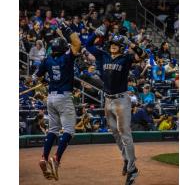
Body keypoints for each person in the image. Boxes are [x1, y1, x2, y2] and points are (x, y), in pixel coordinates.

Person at [86, 24, 146, 184]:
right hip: (108, 100)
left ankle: (133, 169)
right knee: (115, 132)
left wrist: (131, 43)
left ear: (121, 47)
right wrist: (95, 33)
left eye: (117, 44)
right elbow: (87, 45)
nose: (114, 46)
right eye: (112, 43)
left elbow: (143, 55)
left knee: (125, 133)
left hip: (121, 99)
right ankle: (126, 159)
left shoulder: (125, 58)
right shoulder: (103, 55)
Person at [32, 24, 81, 181]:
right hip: (64, 97)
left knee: (52, 130)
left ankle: (43, 157)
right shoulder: (66, 57)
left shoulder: (46, 60)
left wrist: (47, 79)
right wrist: (67, 30)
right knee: (69, 130)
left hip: (51, 98)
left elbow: (37, 77)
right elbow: (77, 44)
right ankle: (57, 158)